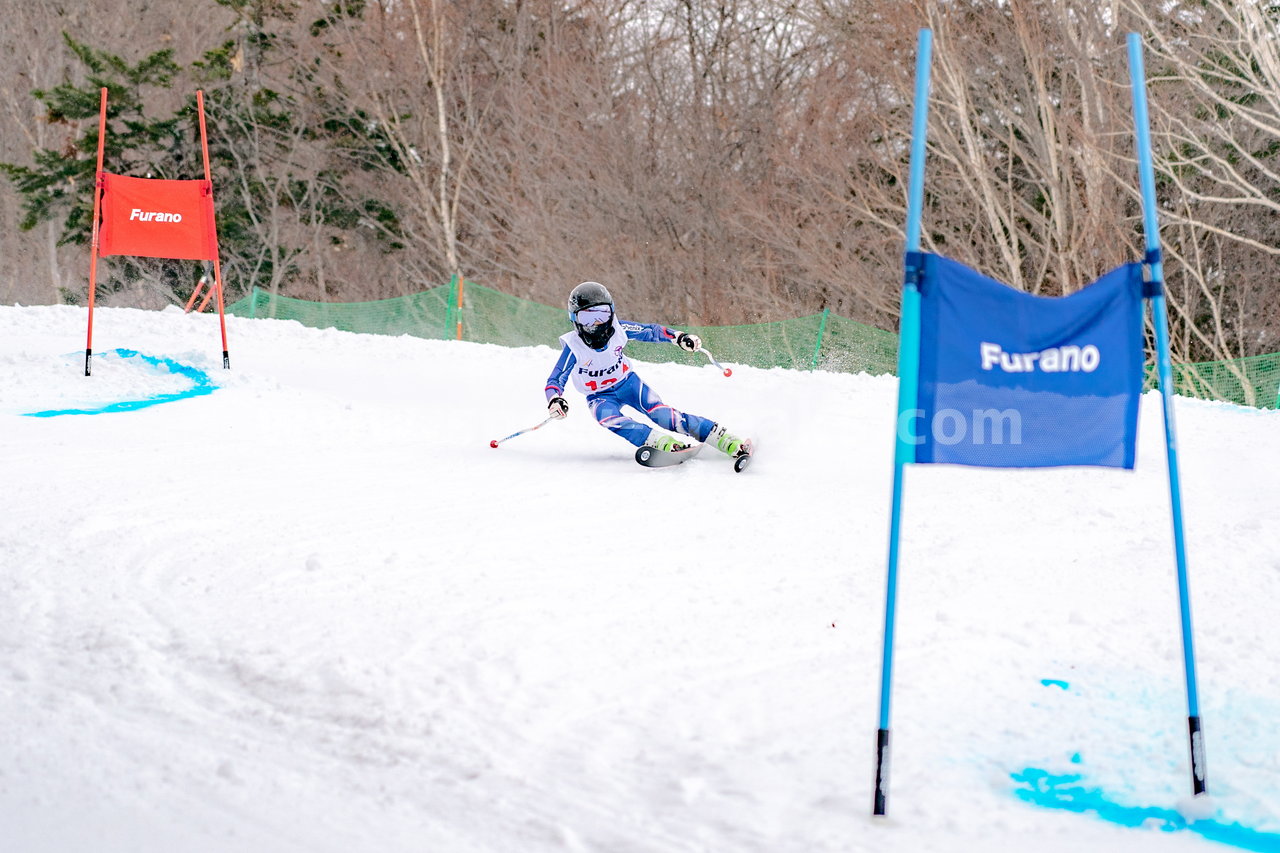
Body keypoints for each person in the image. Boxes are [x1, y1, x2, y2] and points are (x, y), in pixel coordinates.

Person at [544, 281, 748, 457]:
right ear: (575, 320)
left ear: (612, 313)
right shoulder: (574, 346)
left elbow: (651, 331)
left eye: (603, 315)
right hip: (599, 396)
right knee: (607, 418)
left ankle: (724, 439)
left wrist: (679, 337)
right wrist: (555, 400)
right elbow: (555, 380)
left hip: (628, 384)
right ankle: (659, 442)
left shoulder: (619, 329)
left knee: (662, 415)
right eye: (588, 319)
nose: (597, 324)